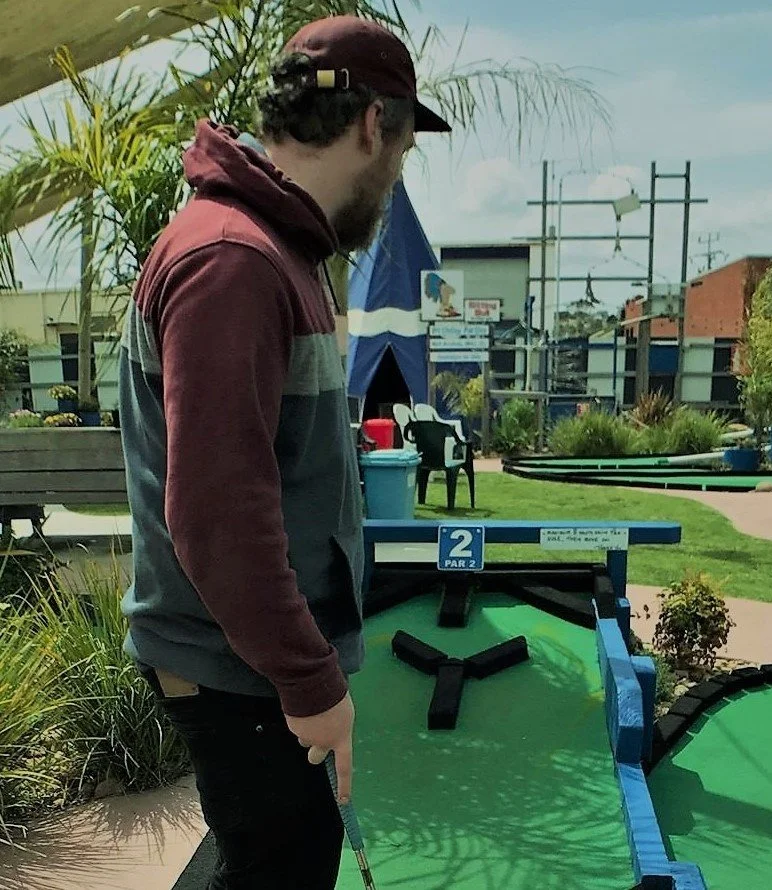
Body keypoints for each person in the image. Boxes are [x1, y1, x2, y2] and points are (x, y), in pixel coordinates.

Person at [117, 15, 450, 889]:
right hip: (244, 668)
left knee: (273, 862)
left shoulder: (273, 250)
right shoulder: (235, 258)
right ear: (374, 125)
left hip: (250, 660)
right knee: (280, 870)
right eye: (404, 151)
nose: (395, 175)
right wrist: (310, 683)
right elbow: (218, 514)